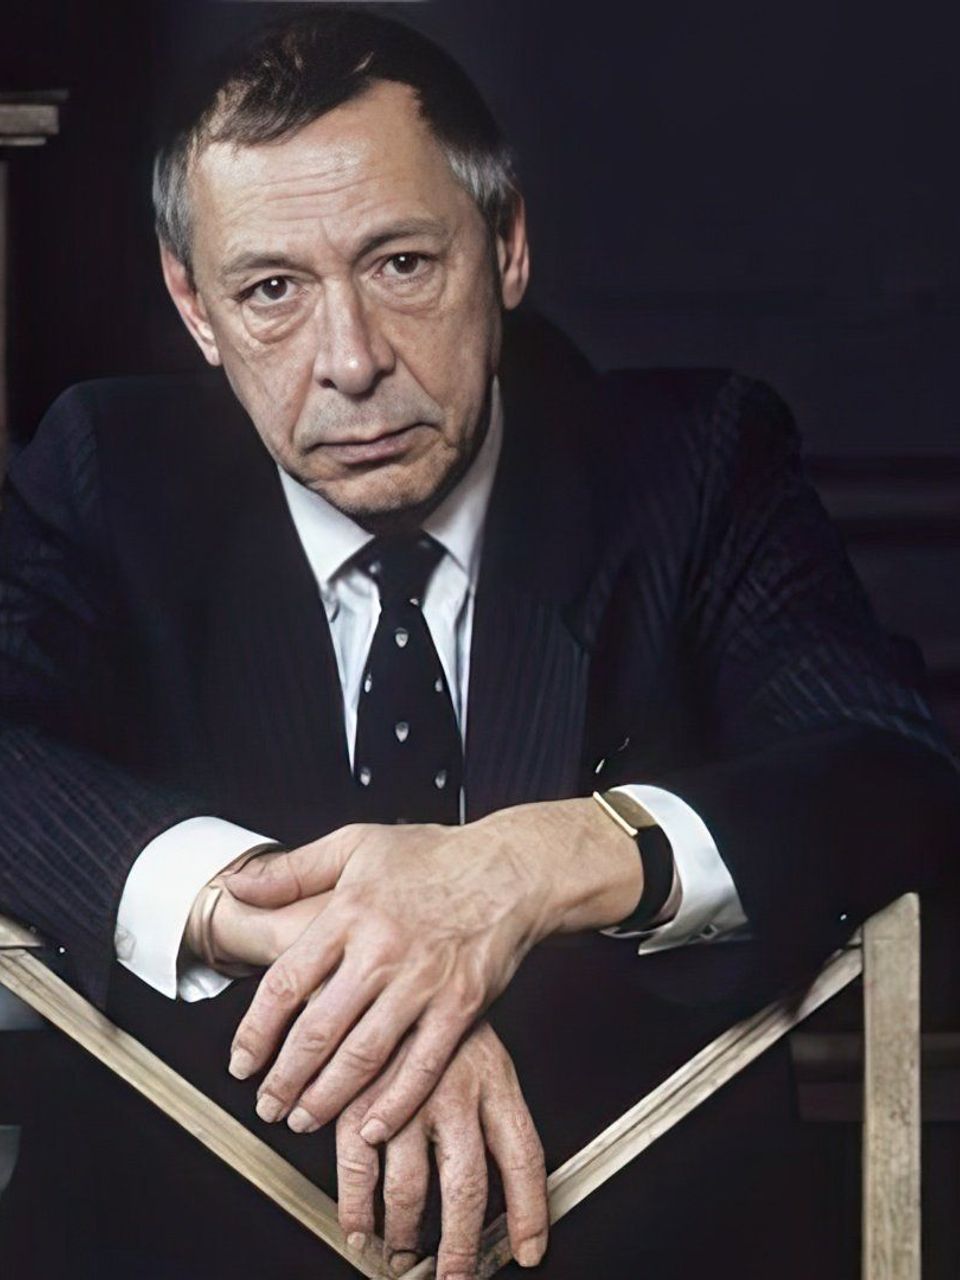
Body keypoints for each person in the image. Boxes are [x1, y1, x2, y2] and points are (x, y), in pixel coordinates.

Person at [0, 10, 957, 1280]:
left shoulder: (693, 464)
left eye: (401, 263)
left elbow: (883, 767)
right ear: (195, 305)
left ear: (505, 247)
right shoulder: (105, 473)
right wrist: (308, 926)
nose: (351, 362)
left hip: (633, 1244)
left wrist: (525, 865)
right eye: (273, 290)